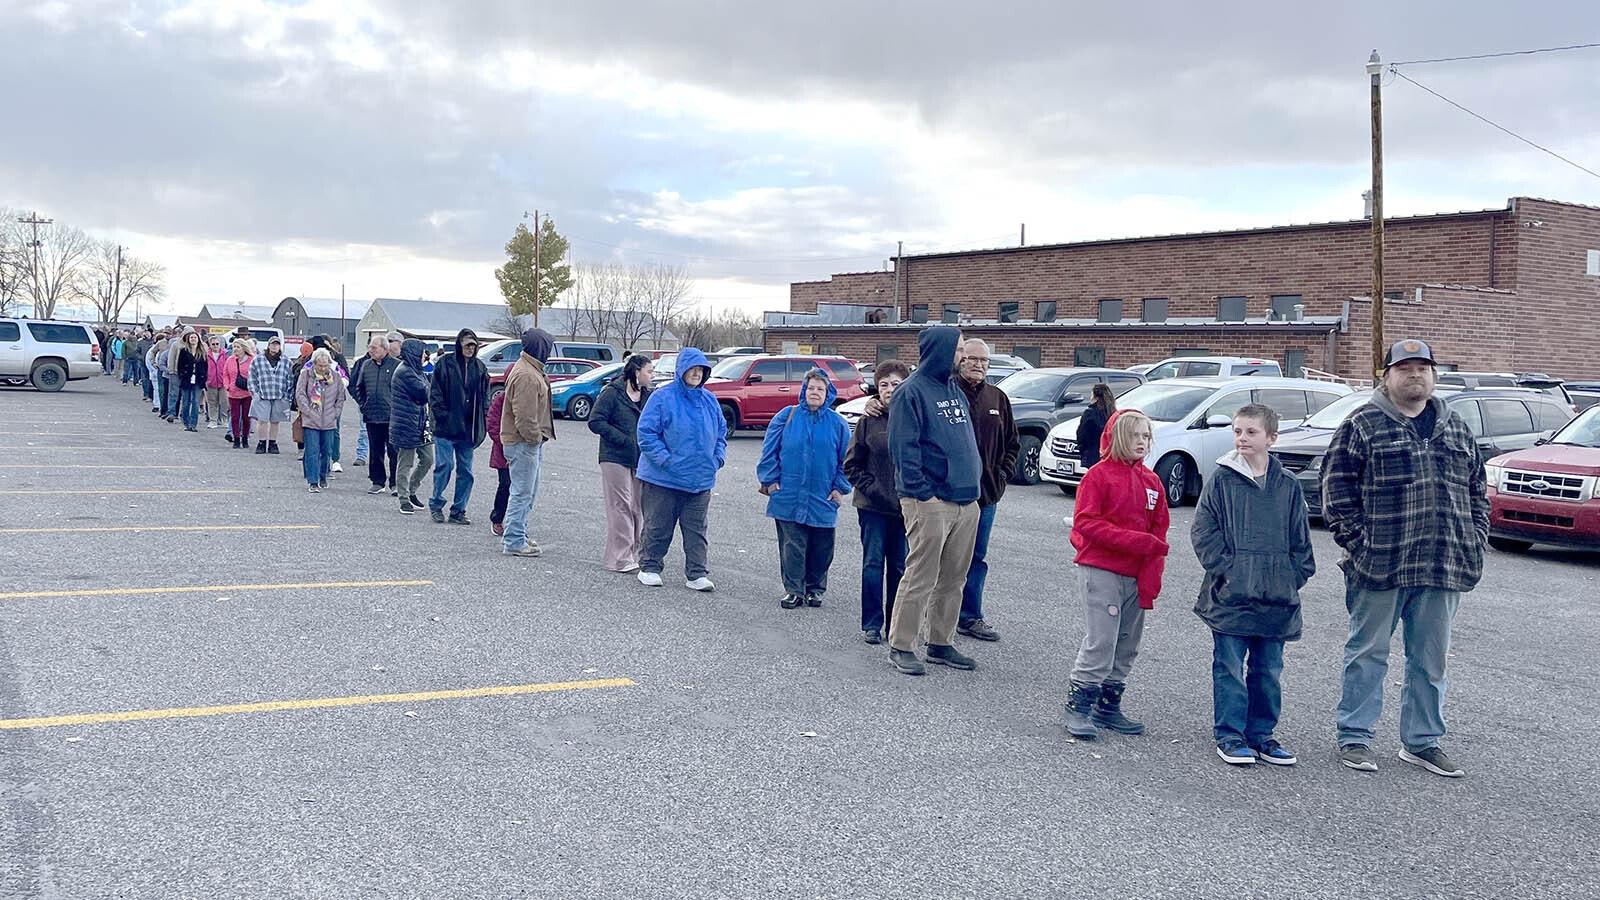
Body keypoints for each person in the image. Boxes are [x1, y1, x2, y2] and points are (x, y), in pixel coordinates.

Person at [1323, 339, 1487, 778]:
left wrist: (1476, 541)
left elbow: (1477, 491)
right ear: (1387, 375)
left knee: (1431, 660)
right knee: (1367, 654)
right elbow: (1336, 493)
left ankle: (1422, 742)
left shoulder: (1456, 428)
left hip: (1443, 565)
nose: (1415, 375)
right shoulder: (1362, 424)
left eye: (1423, 367)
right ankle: (1354, 737)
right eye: (1405, 367)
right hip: (1379, 567)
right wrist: (1360, 544)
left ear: (1434, 376)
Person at [1191, 404, 1316, 766]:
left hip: (1277, 600)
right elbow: (1203, 531)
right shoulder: (1222, 479)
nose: (1242, 438)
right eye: (1237, 431)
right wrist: (1228, 572)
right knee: (1229, 666)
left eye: (1251, 432)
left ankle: (1262, 735)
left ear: (1272, 438)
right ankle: (1230, 735)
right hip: (1231, 597)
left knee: (1268, 670)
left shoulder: (1288, 485)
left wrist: (1290, 579)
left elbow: (1301, 543)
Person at [1063, 409, 1170, 739]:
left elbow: (1159, 529)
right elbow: (1087, 523)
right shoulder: (1098, 476)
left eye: (1146, 436)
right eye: (1135, 435)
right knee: (1102, 640)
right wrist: (1139, 543)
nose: (1142, 442)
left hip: (1136, 575)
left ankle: (1108, 707)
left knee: (1127, 643)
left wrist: (1152, 572)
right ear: (1118, 437)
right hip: (1102, 569)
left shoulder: (1152, 481)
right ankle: (1079, 707)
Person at [885, 326, 983, 676]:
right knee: (921, 576)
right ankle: (901, 645)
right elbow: (903, 450)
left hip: (965, 501)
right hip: (929, 502)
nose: (964, 357)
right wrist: (924, 493)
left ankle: (941, 642)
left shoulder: (954, 390)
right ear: (940, 351)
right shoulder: (910, 393)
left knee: (954, 578)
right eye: (958, 350)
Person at [757, 368, 852, 609]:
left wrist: (840, 488)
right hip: (788, 494)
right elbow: (769, 452)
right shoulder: (785, 416)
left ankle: (815, 589)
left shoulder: (838, 424)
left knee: (822, 547)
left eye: (820, 389)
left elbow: (848, 461)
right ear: (803, 390)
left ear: (828, 393)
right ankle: (794, 590)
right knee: (792, 546)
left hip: (824, 496)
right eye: (811, 388)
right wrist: (771, 482)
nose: (815, 392)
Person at [635, 347, 726, 590]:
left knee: (696, 530)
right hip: (663, 479)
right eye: (692, 369)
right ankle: (650, 567)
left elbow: (721, 434)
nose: (696, 374)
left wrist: (717, 458)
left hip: (700, 480)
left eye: (701, 370)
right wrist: (665, 460)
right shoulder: (662, 397)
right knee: (658, 525)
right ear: (681, 370)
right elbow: (646, 433)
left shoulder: (709, 400)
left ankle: (697, 573)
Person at [954, 339, 1019, 643]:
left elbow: (1012, 444)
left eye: (984, 361)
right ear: (960, 360)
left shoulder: (998, 398)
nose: (978, 365)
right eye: (972, 359)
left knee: (976, 558)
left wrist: (1003, 475)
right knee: (944, 558)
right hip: (949, 496)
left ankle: (970, 616)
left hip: (986, 496)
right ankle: (938, 614)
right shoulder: (947, 393)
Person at [843, 360, 911, 644]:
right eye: (883, 385)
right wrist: (876, 490)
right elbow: (851, 465)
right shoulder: (868, 420)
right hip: (873, 507)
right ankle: (871, 623)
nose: (889, 390)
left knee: (899, 566)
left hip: (906, 508)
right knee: (873, 563)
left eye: (895, 384)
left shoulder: (914, 418)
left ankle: (895, 622)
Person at [588, 354, 654, 571]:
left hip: (639, 458)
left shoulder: (648, 396)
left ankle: (632, 552)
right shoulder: (612, 393)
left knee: (638, 506)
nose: (652, 376)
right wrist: (622, 439)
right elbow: (595, 421)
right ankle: (619, 558)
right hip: (614, 456)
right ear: (637, 372)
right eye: (649, 371)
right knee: (620, 504)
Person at [499, 328, 555, 556]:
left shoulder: (530, 369)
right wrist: (535, 438)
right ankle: (513, 540)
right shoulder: (527, 375)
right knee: (522, 492)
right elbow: (524, 416)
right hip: (523, 442)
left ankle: (518, 533)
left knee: (526, 492)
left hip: (526, 442)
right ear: (540, 347)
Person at [428, 328, 491, 525]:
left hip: (468, 430)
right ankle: (436, 504)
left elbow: (485, 398)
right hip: (446, 427)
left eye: (473, 345)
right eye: (467, 345)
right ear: (459, 345)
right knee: (444, 466)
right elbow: (435, 394)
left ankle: (459, 510)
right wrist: (442, 416)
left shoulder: (480, 369)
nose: (470, 349)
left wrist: (483, 420)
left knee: (466, 472)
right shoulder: (445, 364)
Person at [349, 335, 400, 495]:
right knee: (375, 450)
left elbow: (402, 391)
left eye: (374, 347)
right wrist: (364, 404)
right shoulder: (366, 365)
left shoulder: (397, 366)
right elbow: (359, 387)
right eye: (370, 347)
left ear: (384, 349)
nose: (370, 350)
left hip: (392, 417)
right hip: (372, 416)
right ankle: (377, 481)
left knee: (394, 451)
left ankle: (396, 483)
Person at [390, 339, 434, 514]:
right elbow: (423, 393)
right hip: (405, 422)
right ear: (414, 352)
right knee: (406, 462)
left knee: (428, 459)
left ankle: (412, 489)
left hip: (421, 422)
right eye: (423, 352)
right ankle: (403, 498)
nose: (426, 355)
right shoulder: (404, 372)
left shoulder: (418, 371)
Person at [295, 348, 347, 493]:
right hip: (311, 420)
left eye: (325, 365)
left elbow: (340, 398)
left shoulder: (336, 377)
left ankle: (323, 474)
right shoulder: (306, 375)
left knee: (327, 451)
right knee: (312, 451)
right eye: (320, 365)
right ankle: (312, 481)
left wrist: (336, 413)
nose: (323, 368)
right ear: (314, 364)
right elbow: (300, 395)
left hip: (329, 420)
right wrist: (308, 411)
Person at [248, 335, 295, 454]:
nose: (275, 346)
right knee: (262, 420)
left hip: (279, 395)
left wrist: (287, 395)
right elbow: (252, 377)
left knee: (275, 421)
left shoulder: (286, 361)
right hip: (263, 394)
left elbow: (290, 378)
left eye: (277, 344)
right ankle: (262, 443)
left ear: (280, 347)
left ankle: (273, 443)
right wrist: (255, 393)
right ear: (268, 346)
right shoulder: (258, 360)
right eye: (273, 344)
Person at [484, 389, 511, 538]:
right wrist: (504, 442)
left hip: (523, 449)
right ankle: (497, 519)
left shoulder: (527, 397)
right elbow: (493, 423)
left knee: (522, 489)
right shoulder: (502, 398)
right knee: (505, 485)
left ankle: (517, 523)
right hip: (503, 449)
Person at [222, 339, 254, 449]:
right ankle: (236, 438)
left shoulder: (251, 360)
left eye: (238, 347)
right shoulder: (230, 360)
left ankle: (245, 438)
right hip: (233, 392)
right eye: (234, 346)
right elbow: (225, 374)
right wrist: (227, 386)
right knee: (235, 417)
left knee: (246, 417)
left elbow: (255, 374)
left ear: (243, 348)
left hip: (247, 392)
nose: (235, 349)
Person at [1077, 383, 1117, 470]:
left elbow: (1082, 435)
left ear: (1096, 397)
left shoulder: (1090, 413)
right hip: (1109, 454)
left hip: (1092, 454)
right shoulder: (1113, 413)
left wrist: (1082, 450)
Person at [175, 330, 208, 432]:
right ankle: (186, 422)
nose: (193, 339)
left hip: (198, 380)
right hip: (186, 379)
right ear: (188, 340)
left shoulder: (202, 352)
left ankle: (193, 424)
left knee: (195, 401)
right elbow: (179, 365)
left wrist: (204, 378)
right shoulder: (184, 351)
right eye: (191, 338)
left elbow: (205, 366)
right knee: (186, 401)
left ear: (198, 339)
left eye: (195, 337)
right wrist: (182, 375)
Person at [203, 334, 228, 429]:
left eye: (217, 344)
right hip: (210, 382)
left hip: (223, 382)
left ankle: (224, 419)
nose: (215, 346)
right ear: (209, 345)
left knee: (225, 402)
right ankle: (213, 420)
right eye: (213, 344)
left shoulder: (225, 354)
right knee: (212, 402)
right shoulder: (206, 355)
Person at [148, 336, 169, 417]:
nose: (167, 335)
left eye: (169, 333)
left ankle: (171, 411)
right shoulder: (160, 343)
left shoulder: (176, 343)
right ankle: (162, 410)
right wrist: (153, 363)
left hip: (173, 369)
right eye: (166, 333)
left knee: (171, 392)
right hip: (161, 369)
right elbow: (152, 352)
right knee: (161, 390)